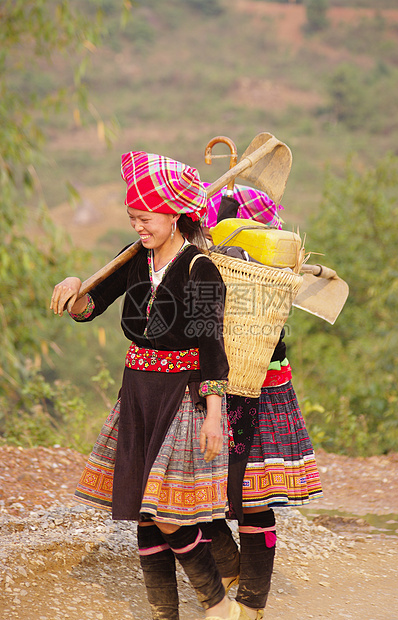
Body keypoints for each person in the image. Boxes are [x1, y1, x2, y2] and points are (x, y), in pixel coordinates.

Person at [50, 151, 243, 620]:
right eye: (133, 218)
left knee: (172, 515)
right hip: (137, 391)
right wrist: (75, 285)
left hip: (182, 395)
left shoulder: (199, 269)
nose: (139, 227)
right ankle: (164, 612)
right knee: (144, 511)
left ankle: (218, 603)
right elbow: (88, 306)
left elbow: (212, 346)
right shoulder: (134, 257)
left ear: (174, 213)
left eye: (146, 218)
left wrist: (214, 415)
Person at [200, 185, 323, 620]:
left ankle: (252, 602)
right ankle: (231, 569)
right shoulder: (205, 264)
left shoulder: (269, 270)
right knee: (197, 487)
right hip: (211, 382)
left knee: (253, 494)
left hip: (261, 384)